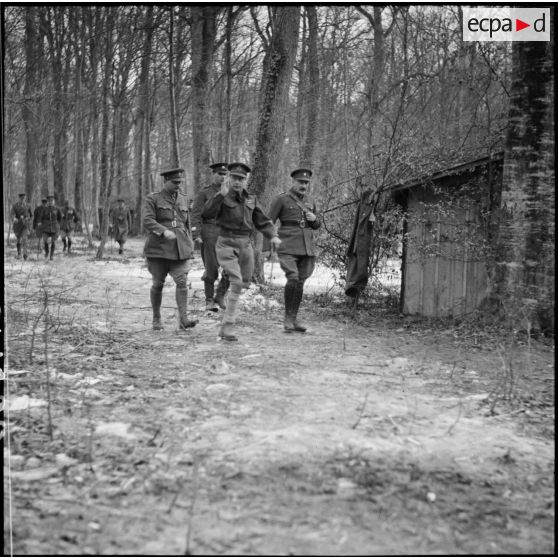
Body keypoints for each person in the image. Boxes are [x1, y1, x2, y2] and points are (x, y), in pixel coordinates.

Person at [202, 162, 281, 341]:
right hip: (226, 242)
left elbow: (262, 220)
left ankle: (222, 306)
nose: (237, 182)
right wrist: (219, 197)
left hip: (245, 245)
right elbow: (206, 213)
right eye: (234, 178)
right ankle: (228, 325)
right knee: (237, 281)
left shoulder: (251, 199)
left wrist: (273, 235)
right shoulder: (222, 196)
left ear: (246, 181)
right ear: (229, 178)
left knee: (242, 283)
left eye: (241, 179)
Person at [143, 167, 197, 331]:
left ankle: (183, 319)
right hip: (158, 249)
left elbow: (187, 224)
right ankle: (156, 318)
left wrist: (191, 243)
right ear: (165, 181)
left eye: (180, 182)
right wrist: (163, 231)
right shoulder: (153, 199)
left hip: (180, 248)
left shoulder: (185, 199)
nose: (178, 185)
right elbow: (147, 220)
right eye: (174, 182)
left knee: (182, 282)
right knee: (158, 284)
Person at [268, 168, 321, 333]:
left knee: (300, 281)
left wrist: (315, 220)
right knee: (293, 278)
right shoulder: (281, 199)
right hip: (288, 246)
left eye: (306, 183)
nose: (303, 185)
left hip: (306, 247)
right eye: (300, 182)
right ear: (293, 182)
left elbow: (317, 225)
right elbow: (268, 223)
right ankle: (287, 318)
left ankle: (294, 317)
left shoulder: (311, 201)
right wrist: (266, 249)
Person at [191, 162, 231, 311]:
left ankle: (220, 295)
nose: (222, 177)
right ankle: (209, 300)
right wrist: (196, 233)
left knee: (230, 265)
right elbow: (195, 214)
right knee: (212, 267)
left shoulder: (230, 192)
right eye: (219, 174)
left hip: (227, 232)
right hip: (209, 231)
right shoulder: (204, 193)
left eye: (224, 174)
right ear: (213, 174)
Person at [37, 194, 62, 260]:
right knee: (45, 240)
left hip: (54, 227)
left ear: (54, 201)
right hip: (46, 227)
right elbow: (40, 217)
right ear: (47, 202)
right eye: (49, 201)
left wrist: (58, 224)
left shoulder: (57, 209)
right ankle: (47, 252)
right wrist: (39, 222)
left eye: (52, 200)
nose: (50, 202)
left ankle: (51, 255)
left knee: (53, 242)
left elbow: (60, 218)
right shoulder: (44, 209)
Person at [11, 193, 33, 260]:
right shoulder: (15, 206)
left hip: (25, 225)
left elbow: (31, 215)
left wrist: (28, 219)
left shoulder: (28, 205)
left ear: (25, 198)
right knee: (18, 240)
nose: (22, 199)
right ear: (19, 198)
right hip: (17, 225)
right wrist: (14, 218)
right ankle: (19, 253)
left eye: (24, 198)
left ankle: (25, 254)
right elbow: (12, 214)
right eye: (21, 198)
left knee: (24, 239)